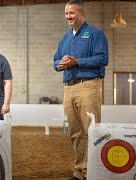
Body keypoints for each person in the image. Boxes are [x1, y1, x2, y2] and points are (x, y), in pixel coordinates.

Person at [53, 0, 108, 179]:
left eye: (72, 13)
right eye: (67, 13)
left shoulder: (95, 34)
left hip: (89, 86)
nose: (68, 16)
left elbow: (102, 58)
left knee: (90, 131)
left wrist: (78, 61)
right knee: (75, 133)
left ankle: (93, 171)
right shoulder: (64, 38)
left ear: (81, 13)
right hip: (69, 88)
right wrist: (60, 64)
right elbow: (55, 61)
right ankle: (79, 171)